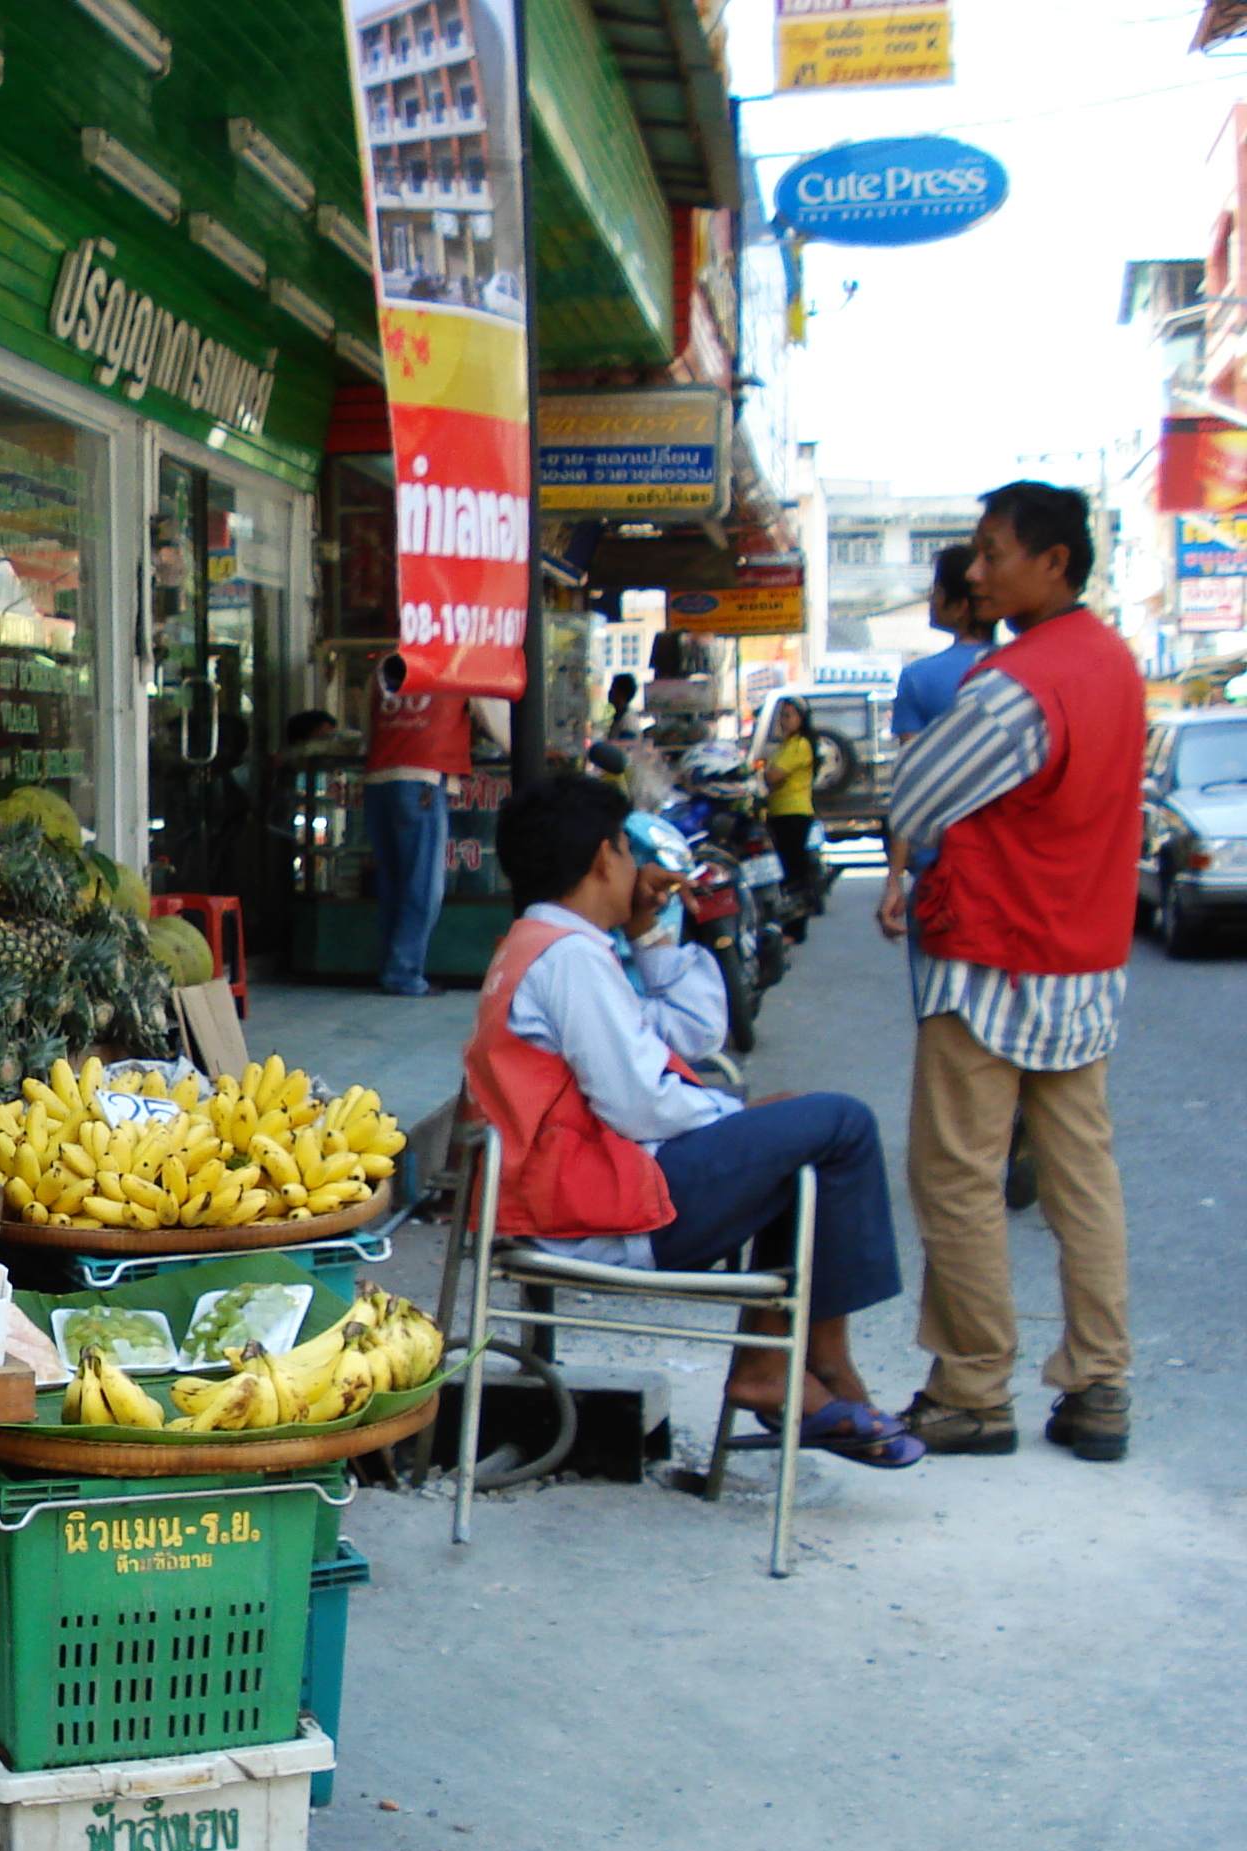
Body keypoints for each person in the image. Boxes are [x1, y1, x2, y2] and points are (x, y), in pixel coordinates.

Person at [461, 775, 923, 1466]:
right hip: (595, 1208)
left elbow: (693, 1033)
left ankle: (785, 1370)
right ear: (602, 858)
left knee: (800, 1142)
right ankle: (824, 1368)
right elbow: (639, 1101)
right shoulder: (568, 959)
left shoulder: (543, 944)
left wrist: (649, 935)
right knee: (843, 1125)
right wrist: (732, 1116)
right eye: (624, 848)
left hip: (579, 1190)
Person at [885, 482, 1141, 1464]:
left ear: (1055, 563)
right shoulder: (1113, 664)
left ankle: (972, 1388)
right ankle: (1101, 1381)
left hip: (995, 956)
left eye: (993, 554)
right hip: (1085, 959)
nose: (977, 573)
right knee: (1084, 1178)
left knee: (957, 1175)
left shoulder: (1019, 682)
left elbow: (917, 794)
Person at [876, 543, 1000, 940]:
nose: (931, 600)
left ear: (961, 605)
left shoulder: (919, 678)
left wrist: (894, 878)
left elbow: (911, 783)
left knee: (942, 998)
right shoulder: (1025, 669)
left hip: (942, 871)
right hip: (1009, 872)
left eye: (936, 591)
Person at [364, 660, 471, 995]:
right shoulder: (457, 665)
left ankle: (390, 966)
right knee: (422, 885)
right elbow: (498, 721)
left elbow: (365, 724)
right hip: (423, 779)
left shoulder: (382, 666)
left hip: (378, 776)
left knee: (392, 881)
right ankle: (403, 973)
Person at [753, 696, 821, 936]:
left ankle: (796, 928)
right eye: (781, 715)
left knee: (793, 871)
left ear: (801, 719)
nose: (783, 720)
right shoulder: (787, 744)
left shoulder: (799, 745)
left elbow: (774, 776)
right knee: (787, 868)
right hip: (780, 812)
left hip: (794, 813)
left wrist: (763, 773)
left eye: (788, 715)